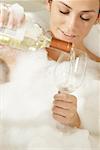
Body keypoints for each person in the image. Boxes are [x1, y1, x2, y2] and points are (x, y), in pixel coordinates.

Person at [0, 0, 100, 149]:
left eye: (85, 17)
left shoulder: (96, 69)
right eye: (64, 11)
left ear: (97, 19)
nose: (71, 25)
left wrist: (76, 120)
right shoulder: (21, 32)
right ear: (49, 3)